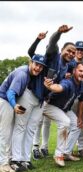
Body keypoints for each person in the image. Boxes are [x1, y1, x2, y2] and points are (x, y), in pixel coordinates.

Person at [43, 62, 83, 167]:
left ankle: (66, 153)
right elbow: (60, 87)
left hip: (63, 108)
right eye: (80, 71)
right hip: (49, 105)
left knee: (77, 125)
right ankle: (59, 155)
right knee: (65, 122)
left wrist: (80, 117)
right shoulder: (68, 82)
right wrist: (50, 86)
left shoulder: (82, 85)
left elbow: (82, 100)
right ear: (74, 71)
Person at [7, 54, 47, 172]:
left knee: (30, 129)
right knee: (20, 127)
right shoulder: (23, 73)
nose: (38, 68)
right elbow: (10, 92)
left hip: (39, 101)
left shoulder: (38, 74)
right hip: (22, 97)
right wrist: (14, 105)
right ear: (31, 62)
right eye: (36, 64)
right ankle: (15, 159)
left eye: (41, 66)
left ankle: (25, 159)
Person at [27, 31, 52, 160]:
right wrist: (38, 39)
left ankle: (44, 146)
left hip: (46, 97)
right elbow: (30, 52)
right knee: (37, 122)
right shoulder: (42, 61)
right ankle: (35, 147)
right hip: (34, 95)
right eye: (49, 49)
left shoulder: (56, 62)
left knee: (46, 123)